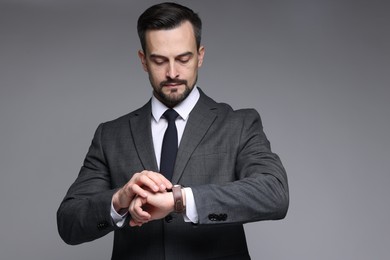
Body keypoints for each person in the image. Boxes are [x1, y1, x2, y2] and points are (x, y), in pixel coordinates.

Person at [57, 2, 289, 259]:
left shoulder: (238, 124)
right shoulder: (110, 135)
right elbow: (68, 222)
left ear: (200, 56)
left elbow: (274, 193)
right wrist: (119, 200)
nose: (172, 73)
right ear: (143, 61)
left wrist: (181, 200)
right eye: (159, 61)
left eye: (183, 58)